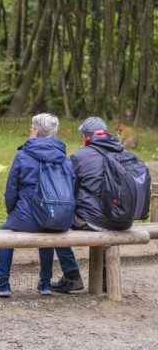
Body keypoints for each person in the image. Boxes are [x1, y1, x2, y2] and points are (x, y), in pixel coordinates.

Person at [0, 114, 75, 297]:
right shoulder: (65, 158)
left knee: (4, 233)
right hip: (57, 217)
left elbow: (11, 190)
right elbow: (71, 187)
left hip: (25, 217)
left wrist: (12, 212)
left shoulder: (22, 155)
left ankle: (3, 283)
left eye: (31, 127)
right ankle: (45, 283)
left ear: (35, 132)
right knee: (47, 229)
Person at [51, 117, 129, 293]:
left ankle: (72, 277)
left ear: (86, 137)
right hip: (123, 219)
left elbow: (69, 189)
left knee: (54, 222)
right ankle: (104, 278)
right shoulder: (123, 153)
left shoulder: (79, 156)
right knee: (102, 215)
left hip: (94, 220)